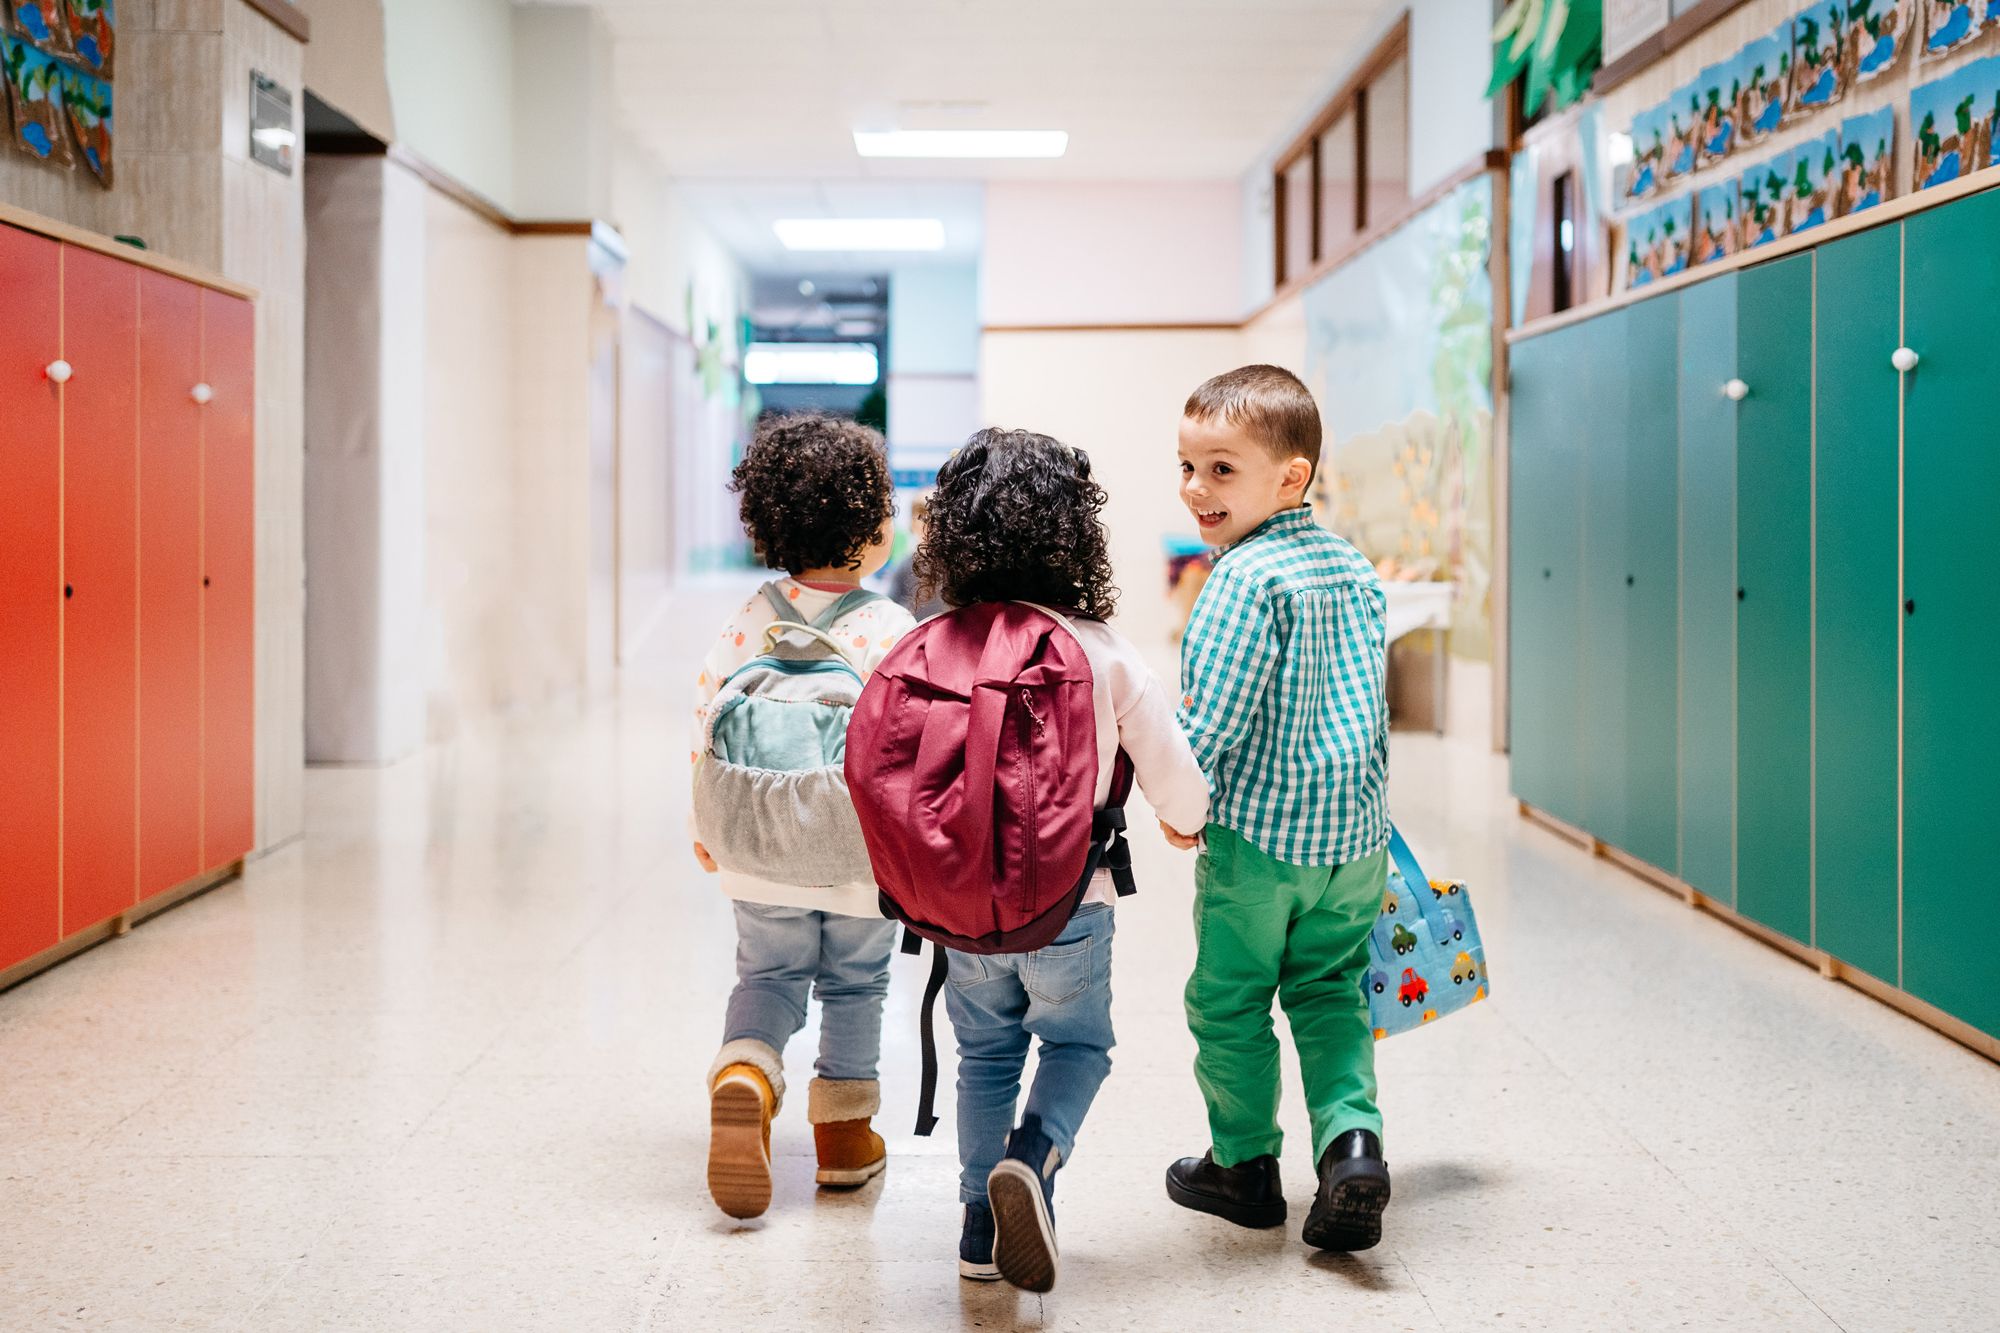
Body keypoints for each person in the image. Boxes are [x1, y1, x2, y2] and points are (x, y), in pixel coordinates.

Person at [912, 429, 1209, 1291]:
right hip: (1072, 899)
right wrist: (1184, 825)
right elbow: (1177, 784)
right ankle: (1034, 1158)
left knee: (985, 1053)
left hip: (963, 906)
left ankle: (977, 1226)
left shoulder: (937, 642)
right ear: (1076, 533)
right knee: (1078, 1044)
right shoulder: (1102, 648)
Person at [1162, 365, 1396, 1252]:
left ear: (1289, 478)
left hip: (1260, 847)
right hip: (1353, 844)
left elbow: (1205, 724)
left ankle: (1245, 1166)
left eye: (1222, 469)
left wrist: (1181, 807)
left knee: (1229, 1002)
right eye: (1186, 466)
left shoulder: (1242, 578)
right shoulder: (1354, 568)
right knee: (1330, 992)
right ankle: (1352, 1149)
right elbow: (1370, 712)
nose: (1195, 488)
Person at [691, 413, 917, 1220]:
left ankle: (746, 1074)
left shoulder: (749, 615)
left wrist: (708, 829)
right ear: (866, 533)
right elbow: (911, 748)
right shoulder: (890, 627)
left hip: (754, 841)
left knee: (768, 974)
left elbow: (704, 713)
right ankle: (844, 1144)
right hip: (854, 852)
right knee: (856, 981)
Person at [885, 490, 946, 620]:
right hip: (913, 632)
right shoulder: (905, 565)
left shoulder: (953, 565)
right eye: (921, 516)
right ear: (912, 523)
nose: (928, 522)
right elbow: (891, 604)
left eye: (934, 516)